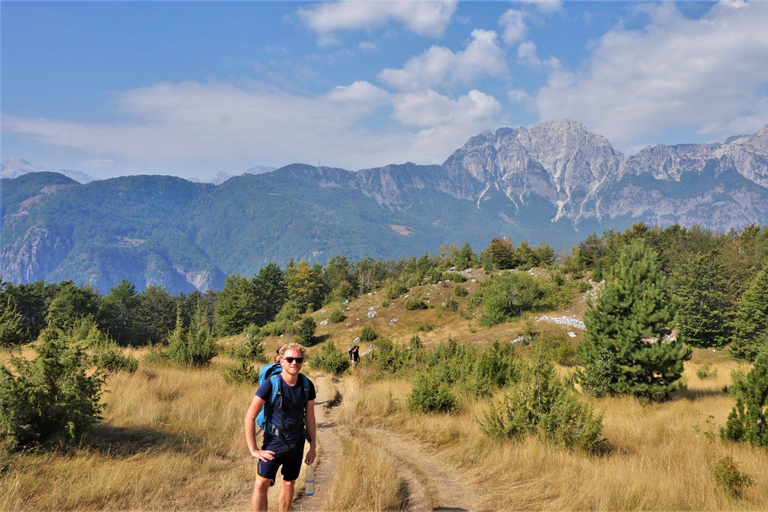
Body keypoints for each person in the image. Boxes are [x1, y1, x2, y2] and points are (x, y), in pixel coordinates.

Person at [245, 343, 317, 512]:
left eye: (298, 359)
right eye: (290, 359)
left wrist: (312, 447)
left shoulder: (307, 385)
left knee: (289, 482)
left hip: (296, 442)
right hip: (273, 442)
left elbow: (310, 418)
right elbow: (249, 416)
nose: (294, 363)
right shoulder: (271, 384)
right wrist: (253, 449)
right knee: (261, 484)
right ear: (281, 361)